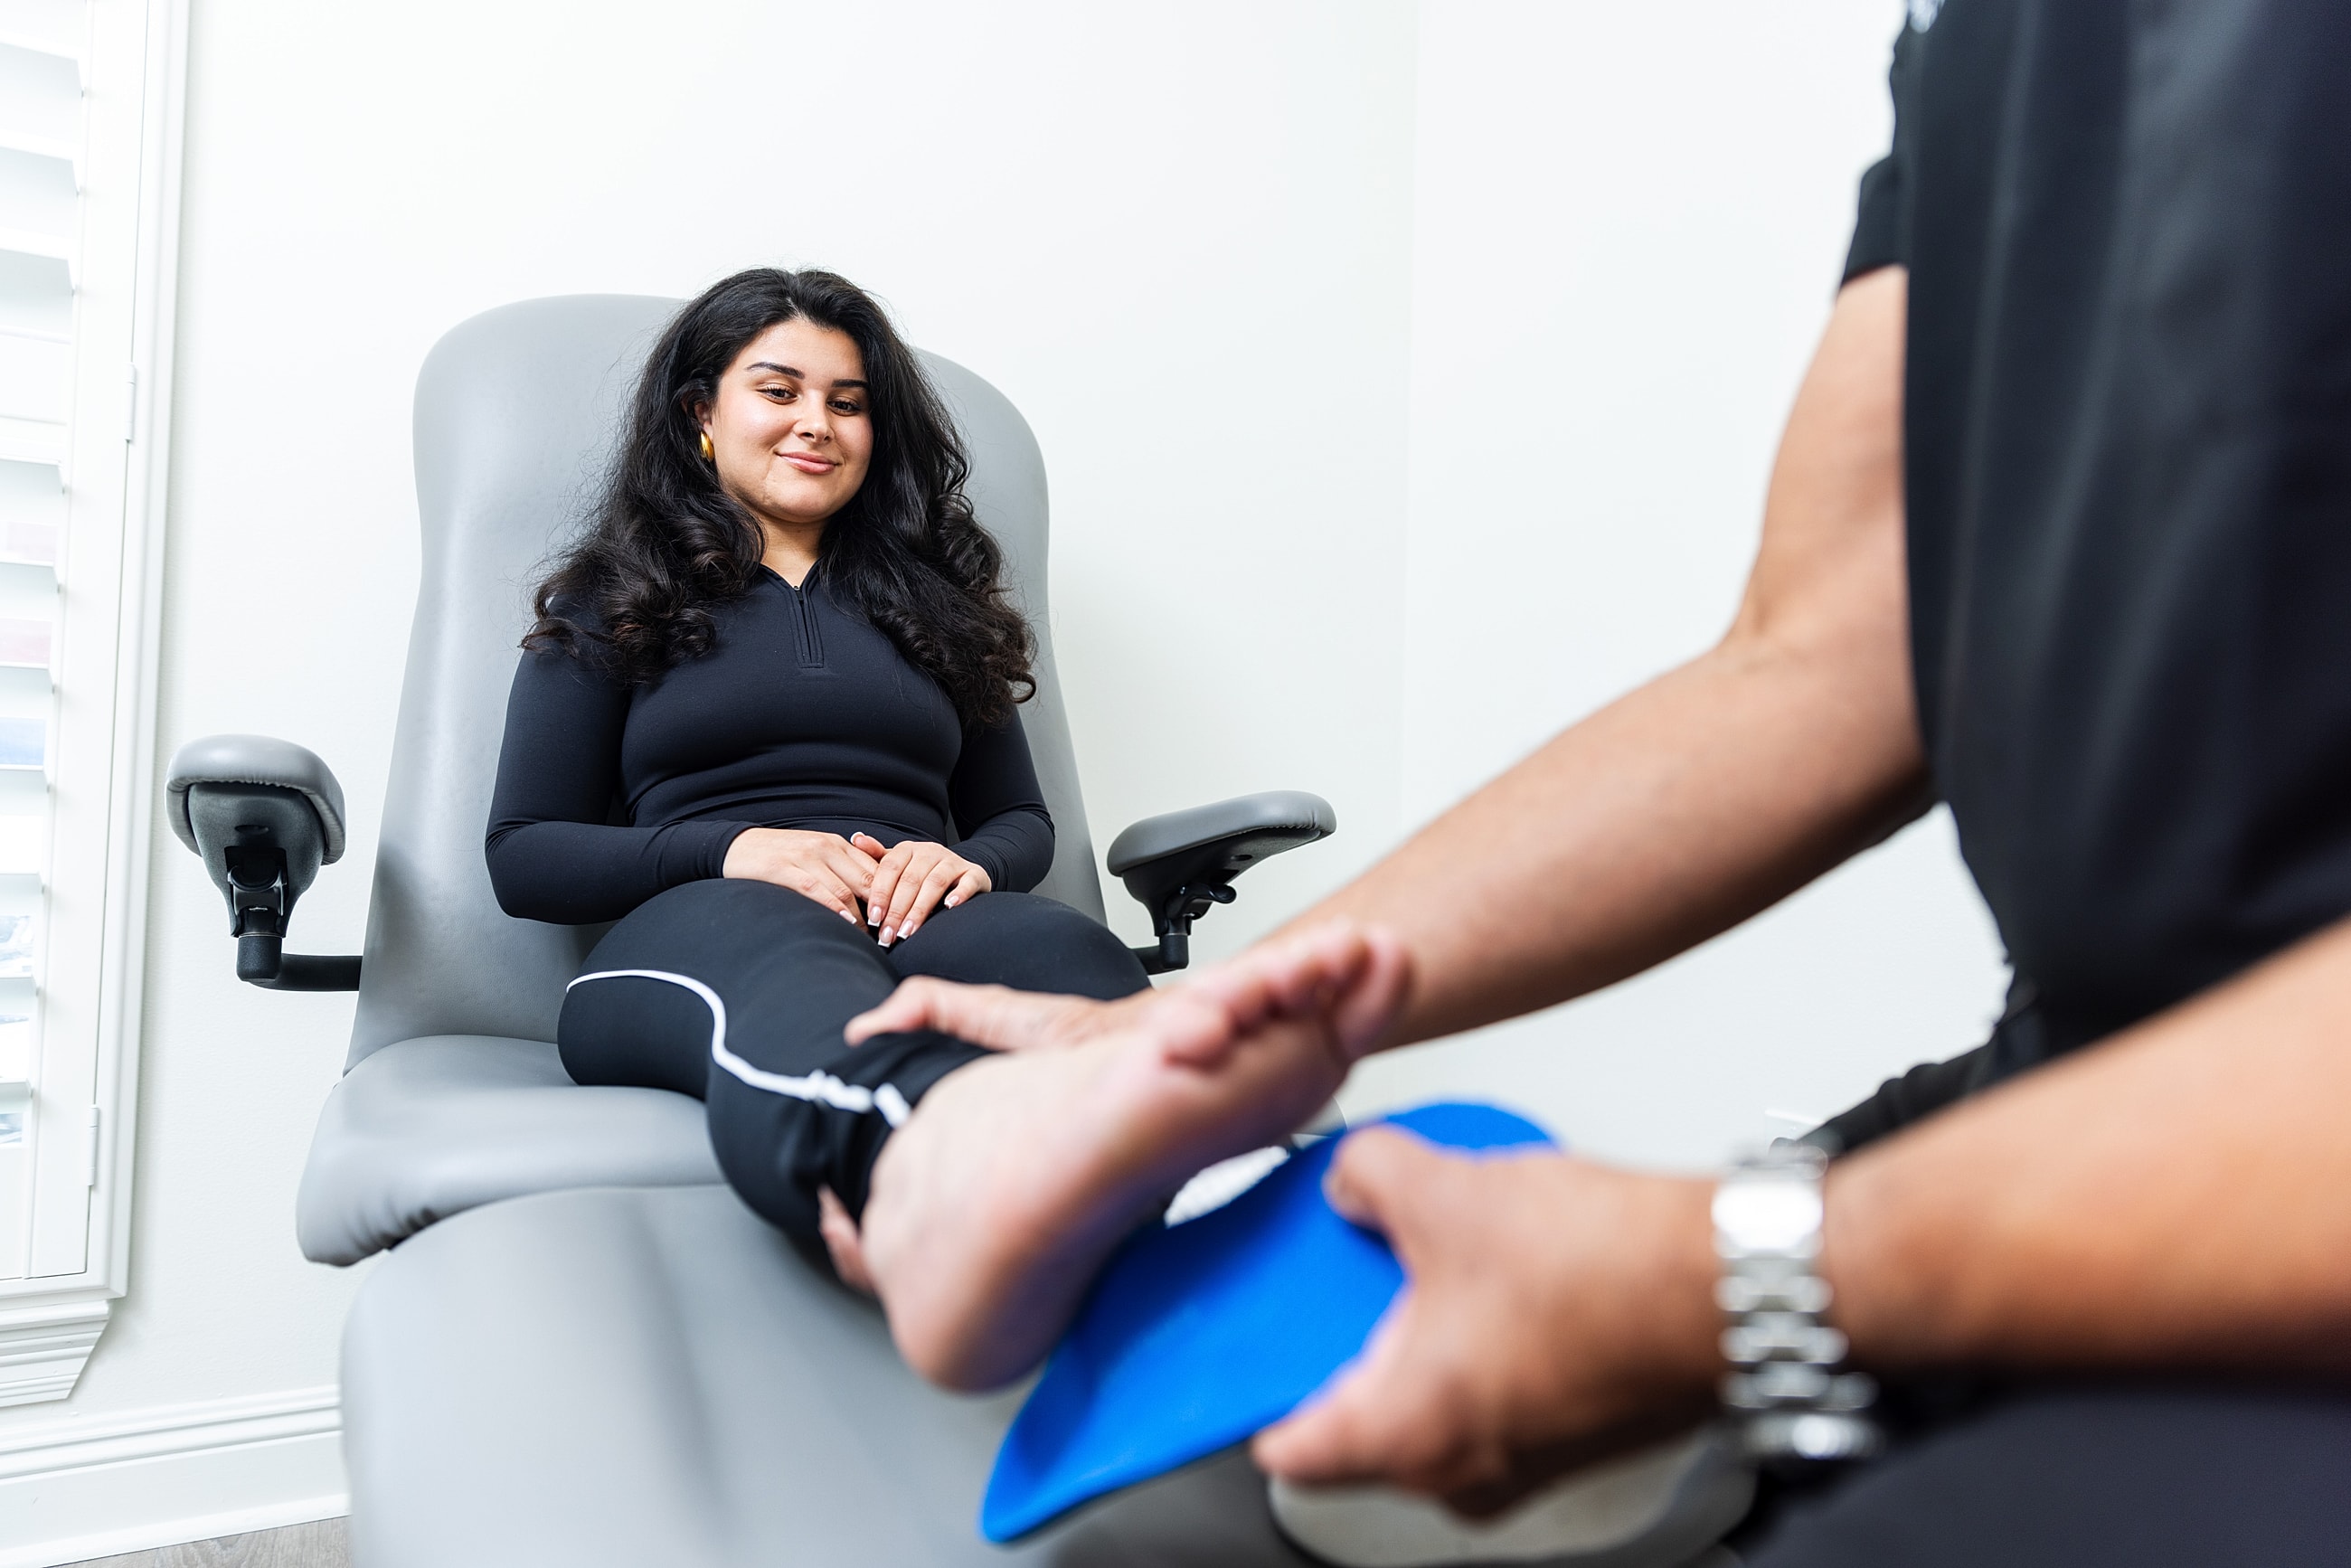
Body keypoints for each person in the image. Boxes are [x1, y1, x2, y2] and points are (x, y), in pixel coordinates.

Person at [826, 2, 2351, 1560]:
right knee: (1235, 1507)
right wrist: (1165, 1039)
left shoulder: (936, 603)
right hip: (2079, 1083)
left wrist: (1720, 1276)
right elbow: (1826, 647)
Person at [484, 267, 1156, 1263]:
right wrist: (733, 849)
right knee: (809, 1000)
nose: (816, 423)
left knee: (1073, 966)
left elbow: (1019, 817)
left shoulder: (937, 606)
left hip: (921, 917)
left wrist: (968, 864)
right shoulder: (614, 594)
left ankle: (1211, 1196)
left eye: (848, 403)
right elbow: (524, 854)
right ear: (699, 412)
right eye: (778, 390)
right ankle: (923, 1215)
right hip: (709, 922)